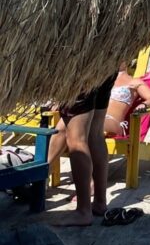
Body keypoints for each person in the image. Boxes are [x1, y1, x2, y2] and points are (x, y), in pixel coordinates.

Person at [47, 71, 116, 226]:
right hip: (106, 65)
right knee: (96, 134)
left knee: (77, 140)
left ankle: (83, 211)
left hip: (80, 67)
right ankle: (99, 202)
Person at [104, 60, 150, 137]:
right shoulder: (101, 80)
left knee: (93, 124)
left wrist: (143, 105)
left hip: (114, 123)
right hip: (97, 119)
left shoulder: (134, 82)